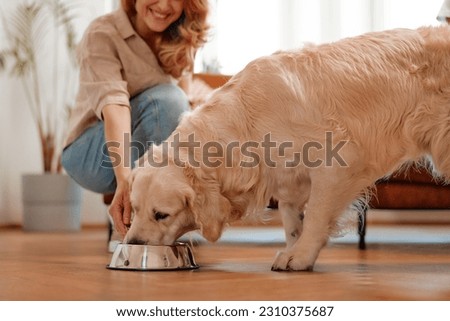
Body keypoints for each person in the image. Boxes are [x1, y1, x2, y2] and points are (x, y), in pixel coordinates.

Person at [61, 0, 209, 248]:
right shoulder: (103, 33)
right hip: (91, 154)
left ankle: (158, 227)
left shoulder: (181, 36)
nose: (164, 5)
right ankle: (130, 226)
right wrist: (125, 181)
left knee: (178, 104)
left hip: (142, 147)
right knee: (168, 101)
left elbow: (184, 109)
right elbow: (115, 107)